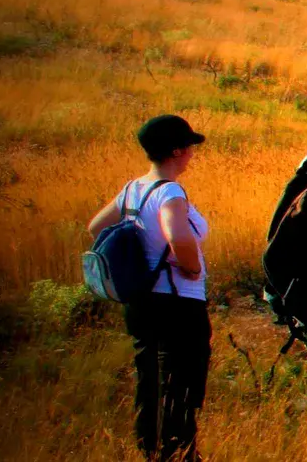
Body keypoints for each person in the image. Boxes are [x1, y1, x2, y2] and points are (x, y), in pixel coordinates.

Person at [86, 114, 211, 462]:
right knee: (182, 384)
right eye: (189, 147)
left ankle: (151, 450)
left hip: (141, 303)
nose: (191, 154)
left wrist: (138, 254)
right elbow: (177, 236)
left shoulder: (133, 189)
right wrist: (192, 266)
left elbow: (96, 226)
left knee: (151, 383)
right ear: (176, 151)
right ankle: (179, 453)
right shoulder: (170, 191)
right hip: (176, 303)